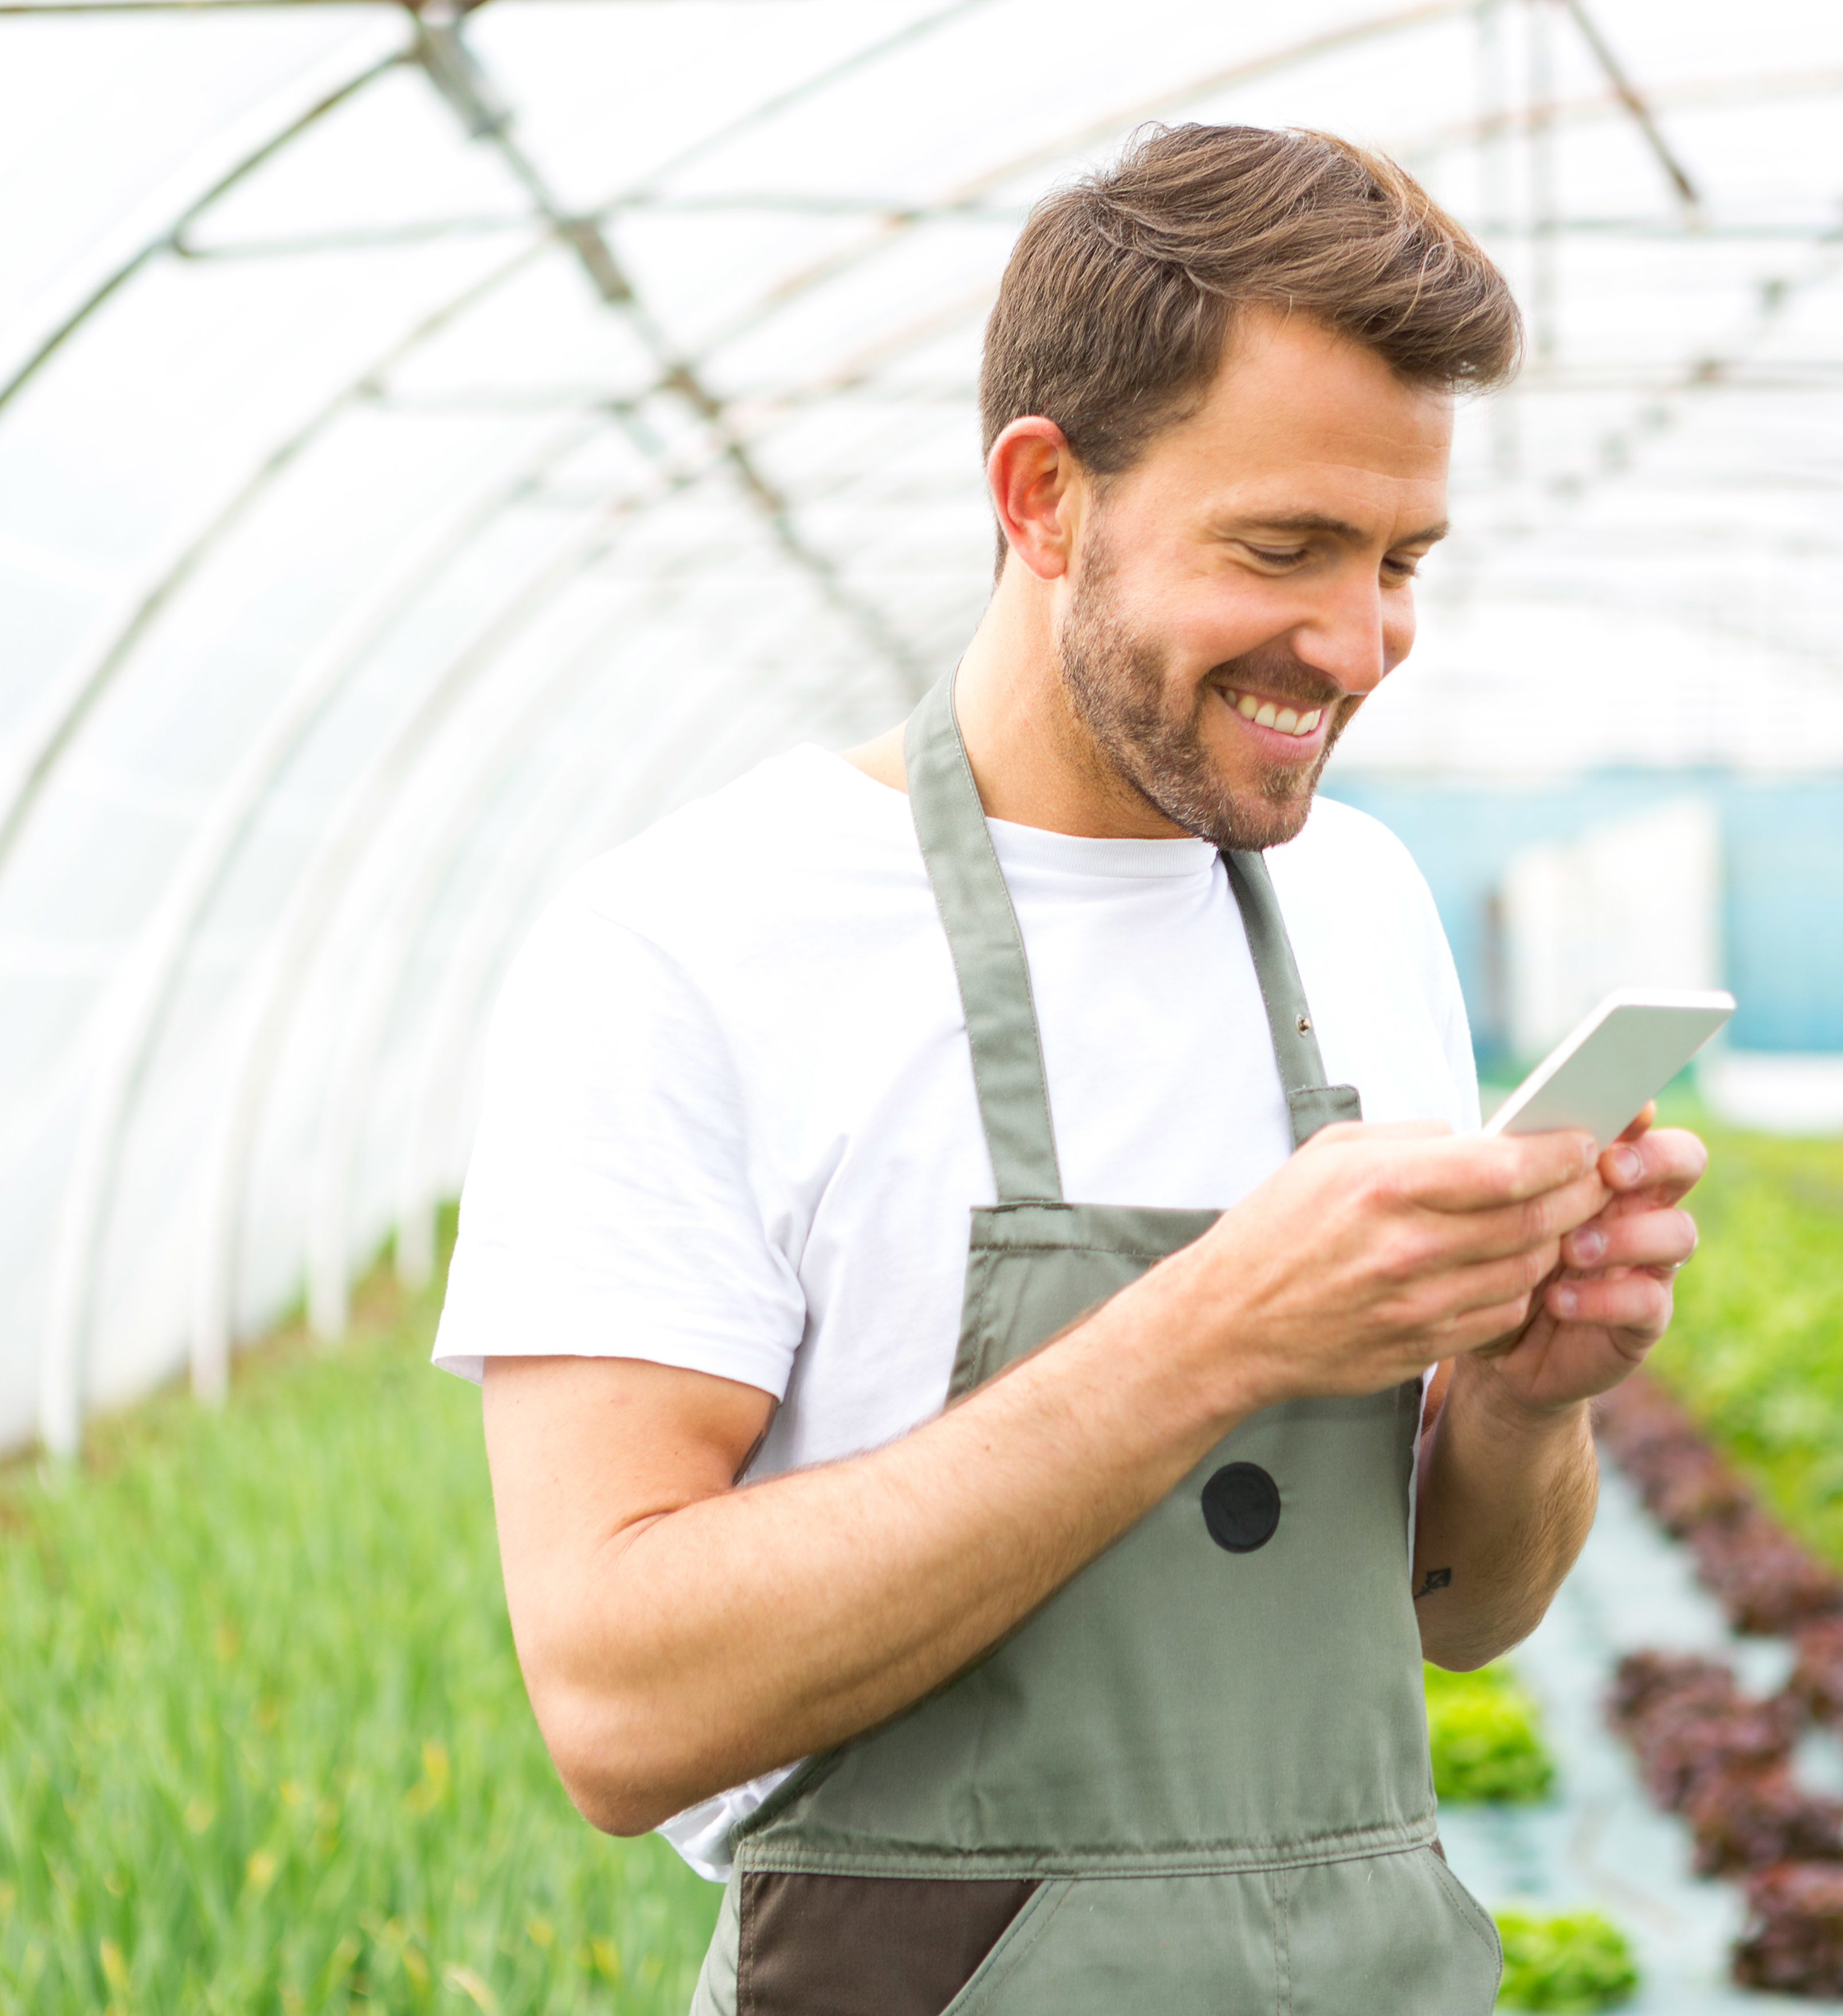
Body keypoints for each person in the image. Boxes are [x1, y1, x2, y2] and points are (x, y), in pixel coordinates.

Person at [432, 122, 1708, 2014]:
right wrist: (1223, 1325)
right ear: (1043, 495)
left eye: (1401, 561)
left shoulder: (1359, 902)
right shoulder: (689, 943)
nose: (1354, 644)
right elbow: (618, 1703)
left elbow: (1456, 1611)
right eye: (1283, 548)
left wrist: (1524, 1406)